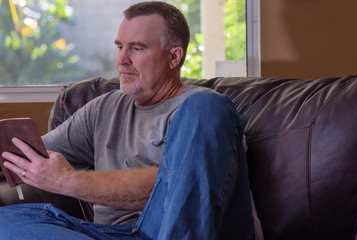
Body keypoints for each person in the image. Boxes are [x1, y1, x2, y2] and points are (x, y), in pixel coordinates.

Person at [0, 1, 254, 239]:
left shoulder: (205, 113)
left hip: (173, 228)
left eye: (137, 48)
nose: (122, 60)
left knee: (206, 106)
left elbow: (182, 186)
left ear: (174, 57)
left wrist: (69, 181)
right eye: (120, 46)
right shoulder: (104, 109)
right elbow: (24, 156)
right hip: (109, 233)